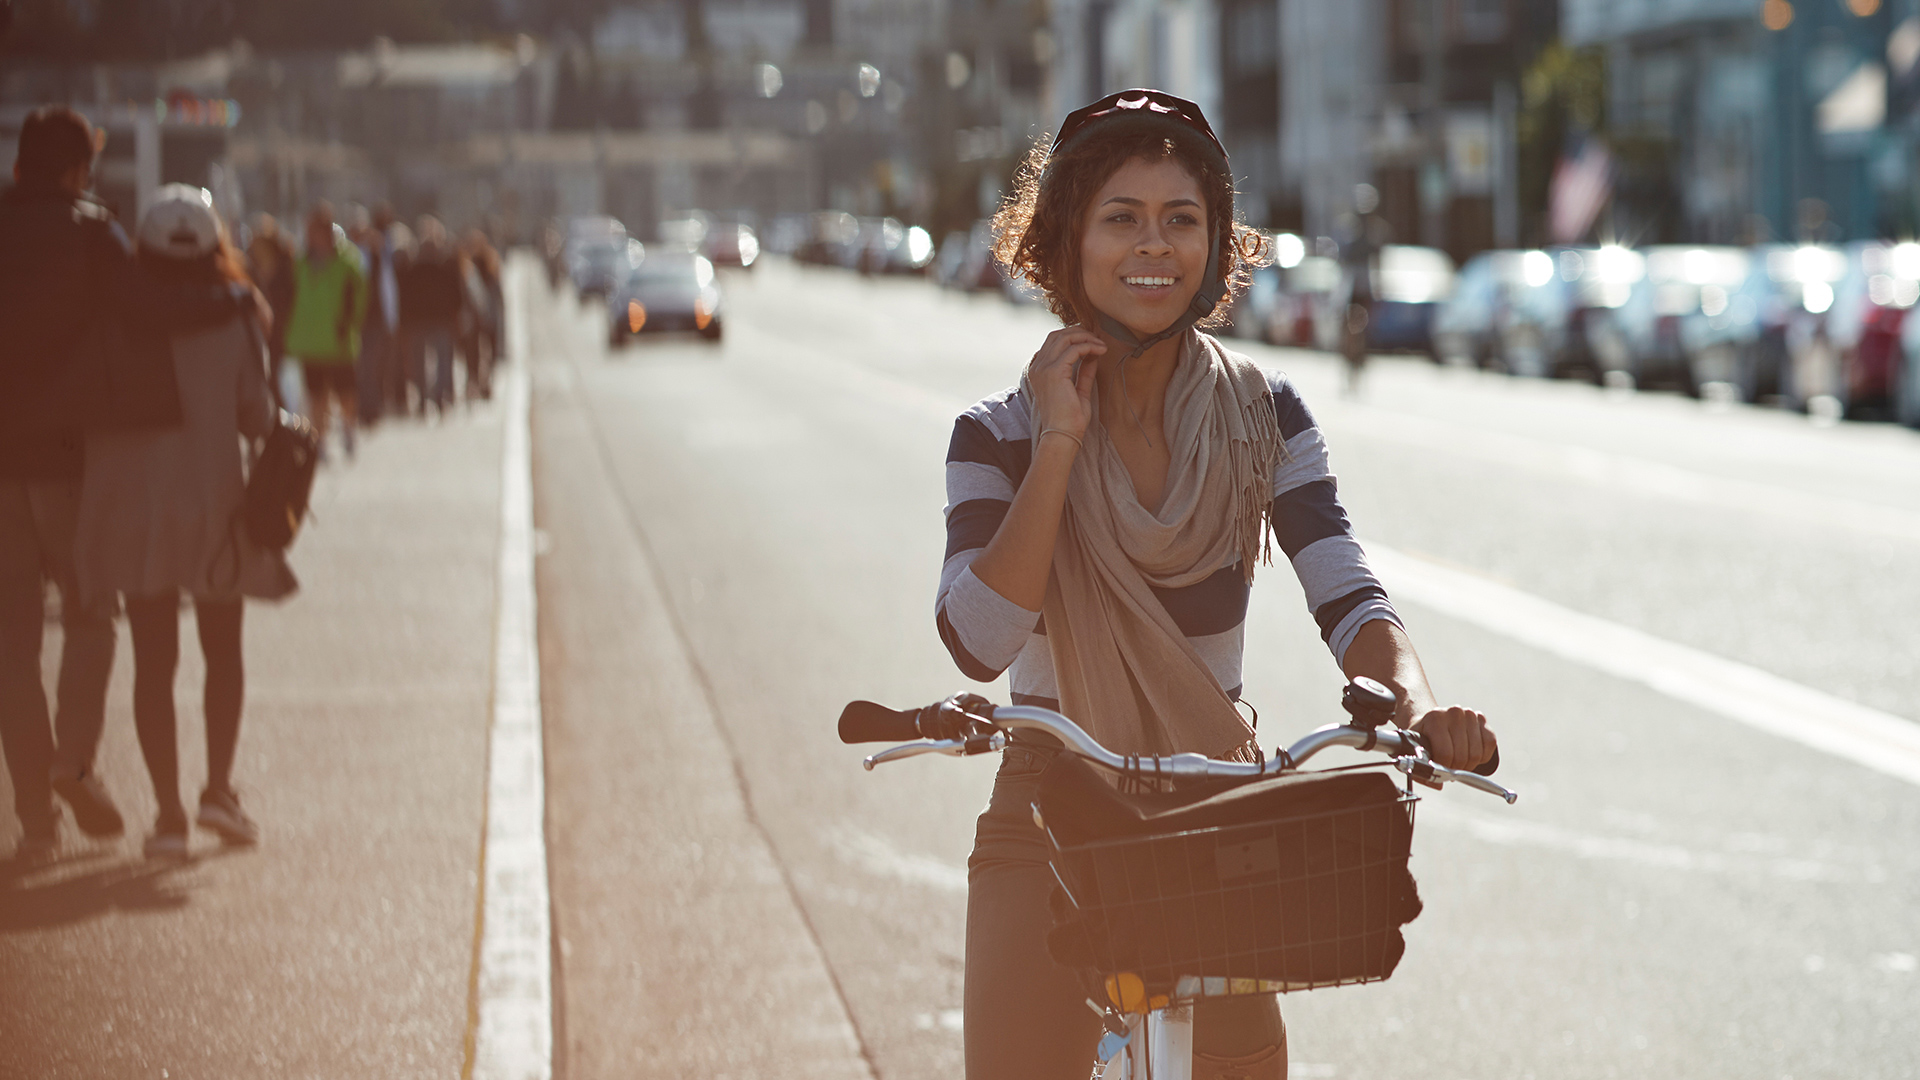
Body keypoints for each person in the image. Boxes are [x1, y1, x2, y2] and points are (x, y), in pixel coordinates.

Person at [940, 90, 1496, 1079]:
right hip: (1048, 804)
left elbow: (1349, 592)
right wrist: (1059, 442)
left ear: (1216, 244)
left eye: (1181, 220)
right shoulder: (998, 434)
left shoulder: (1264, 415)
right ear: (1067, 239)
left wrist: (1421, 704)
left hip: (1213, 810)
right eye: (1121, 218)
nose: (1153, 246)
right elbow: (979, 640)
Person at [74, 184, 296, 858]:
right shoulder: (233, 319)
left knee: (152, 662)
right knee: (221, 651)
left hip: (134, 514)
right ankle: (217, 792)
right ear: (213, 250)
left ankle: (168, 816)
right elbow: (258, 419)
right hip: (213, 510)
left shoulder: (108, 317)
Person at [0, 107, 130, 858]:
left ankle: (36, 824)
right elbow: (142, 321)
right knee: (89, 615)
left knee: (12, 647)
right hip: (69, 463)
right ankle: (73, 759)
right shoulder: (92, 229)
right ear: (79, 171)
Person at [285, 202, 368, 459]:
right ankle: (319, 440)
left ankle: (348, 428)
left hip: (338, 340)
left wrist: (350, 323)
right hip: (309, 341)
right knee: (316, 395)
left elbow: (360, 296)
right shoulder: (301, 263)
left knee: (345, 393)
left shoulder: (347, 261)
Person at [399, 216, 467, 413]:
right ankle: (428, 397)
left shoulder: (444, 263)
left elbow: (456, 292)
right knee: (426, 362)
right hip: (426, 320)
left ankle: (436, 396)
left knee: (441, 361)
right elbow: (406, 294)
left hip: (437, 319)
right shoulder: (415, 265)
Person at [355, 203, 403, 423]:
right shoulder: (359, 260)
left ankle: (372, 405)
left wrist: (391, 321)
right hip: (361, 321)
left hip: (377, 321)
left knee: (374, 366)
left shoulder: (383, 262)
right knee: (365, 366)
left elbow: (389, 293)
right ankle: (367, 407)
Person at [245, 212, 296, 408]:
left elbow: (289, 302)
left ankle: (280, 417)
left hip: (280, 331)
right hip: (260, 331)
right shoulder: (251, 267)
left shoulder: (285, 268)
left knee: (274, 375)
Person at [459, 227, 503, 402]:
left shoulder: (489, 263)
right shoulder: (466, 265)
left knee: (485, 353)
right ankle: (475, 383)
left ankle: (484, 384)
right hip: (474, 319)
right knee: (473, 354)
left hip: (487, 318)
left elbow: (497, 294)